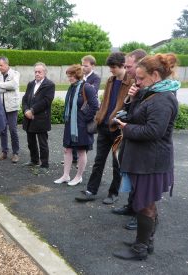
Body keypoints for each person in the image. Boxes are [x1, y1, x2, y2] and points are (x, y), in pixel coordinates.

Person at [113, 53, 180, 260]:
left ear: (156, 75)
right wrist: (133, 98)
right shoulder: (151, 94)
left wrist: (127, 128)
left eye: (141, 78)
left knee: (145, 204)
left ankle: (140, 249)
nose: (137, 81)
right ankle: (145, 242)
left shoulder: (163, 99)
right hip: (145, 160)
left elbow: (154, 131)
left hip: (151, 162)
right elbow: (136, 115)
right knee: (146, 202)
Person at [75, 52, 133, 204]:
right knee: (98, 161)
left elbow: (130, 107)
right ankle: (90, 190)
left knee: (116, 163)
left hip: (118, 129)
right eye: (110, 67)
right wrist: (99, 117)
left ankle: (113, 193)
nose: (111, 70)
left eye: (113, 67)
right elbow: (105, 101)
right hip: (103, 127)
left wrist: (119, 120)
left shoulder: (132, 83)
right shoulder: (110, 81)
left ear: (122, 65)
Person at [112, 49, 147, 231]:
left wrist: (137, 96)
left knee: (141, 181)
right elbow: (130, 111)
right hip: (131, 138)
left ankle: (139, 214)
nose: (127, 69)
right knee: (131, 175)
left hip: (143, 143)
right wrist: (131, 98)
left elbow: (144, 120)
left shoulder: (150, 89)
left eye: (129, 66)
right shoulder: (135, 84)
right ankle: (131, 207)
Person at [54, 64, 98, 186]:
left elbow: (95, 106)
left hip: (81, 126)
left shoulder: (87, 87)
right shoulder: (72, 87)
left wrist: (85, 118)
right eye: (68, 76)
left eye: (71, 76)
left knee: (81, 151)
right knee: (67, 150)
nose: (69, 78)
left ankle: (79, 176)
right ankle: (65, 175)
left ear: (78, 75)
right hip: (70, 125)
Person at [64, 55, 102, 166]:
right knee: (71, 144)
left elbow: (93, 95)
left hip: (84, 113)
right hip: (75, 116)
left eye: (86, 65)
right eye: (82, 65)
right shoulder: (74, 85)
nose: (83, 67)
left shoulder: (94, 78)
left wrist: (87, 117)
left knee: (81, 146)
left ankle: (79, 163)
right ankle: (73, 159)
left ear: (92, 66)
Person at [22, 62, 55, 175]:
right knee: (30, 142)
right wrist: (26, 110)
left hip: (41, 119)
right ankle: (34, 160)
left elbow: (46, 101)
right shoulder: (31, 84)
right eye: (35, 72)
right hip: (29, 118)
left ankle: (44, 164)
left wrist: (32, 110)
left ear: (45, 72)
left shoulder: (49, 85)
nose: (37, 74)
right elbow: (25, 99)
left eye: (39, 72)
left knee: (42, 143)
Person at [0, 56, 20, 163]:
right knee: (2, 130)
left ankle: (15, 153)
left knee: (13, 130)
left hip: (12, 107)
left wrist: (0, 85)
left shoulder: (15, 74)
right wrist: (5, 87)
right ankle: (4, 152)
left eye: (1, 65)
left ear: (7, 64)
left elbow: (14, 85)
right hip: (1, 107)